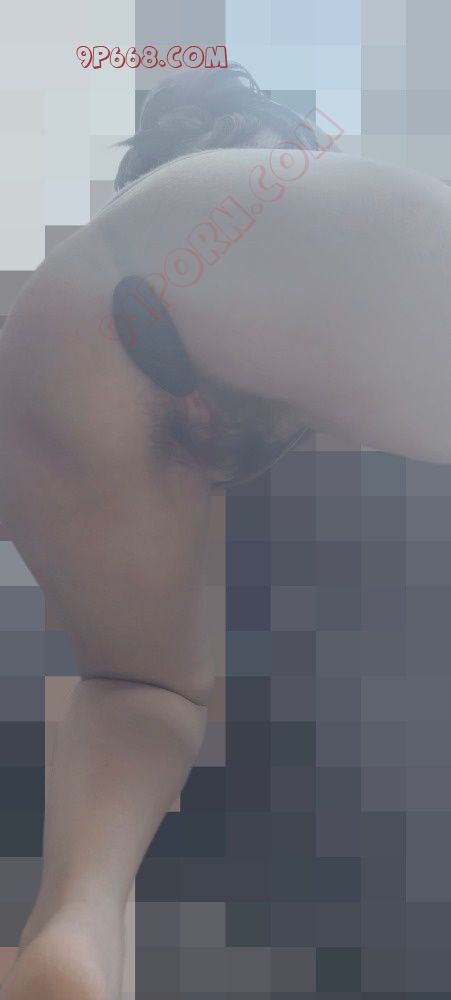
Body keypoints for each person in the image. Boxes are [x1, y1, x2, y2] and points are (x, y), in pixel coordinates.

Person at [1, 61, 451, 998]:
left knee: (140, 687)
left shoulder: (127, 225)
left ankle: (74, 929)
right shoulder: (275, 180)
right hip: (222, 260)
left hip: (60, 330)